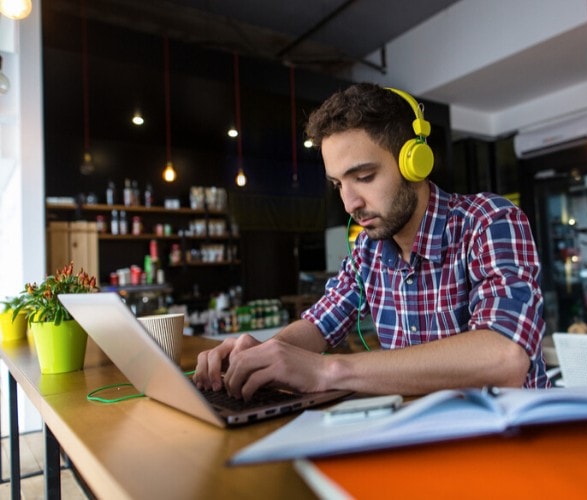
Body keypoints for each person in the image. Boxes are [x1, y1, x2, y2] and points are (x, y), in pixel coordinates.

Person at [194, 82, 550, 400]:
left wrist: (329, 370)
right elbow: (321, 322)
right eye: (338, 185)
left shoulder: (489, 221)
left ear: (415, 163)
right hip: (422, 443)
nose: (350, 204)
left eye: (363, 176)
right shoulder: (368, 249)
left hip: (511, 446)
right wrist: (264, 353)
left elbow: (506, 356)